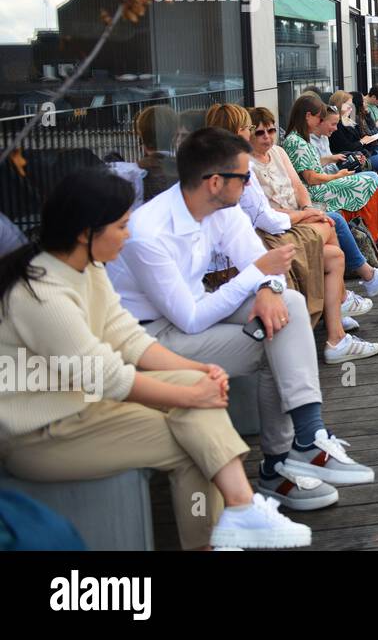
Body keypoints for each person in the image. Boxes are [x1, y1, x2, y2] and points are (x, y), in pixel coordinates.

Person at [0, 167, 313, 549]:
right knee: (194, 444)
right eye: (120, 226)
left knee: (197, 399)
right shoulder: (41, 294)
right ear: (86, 233)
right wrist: (191, 395)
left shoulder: (85, 266)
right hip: (41, 435)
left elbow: (127, 337)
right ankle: (218, 533)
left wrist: (199, 372)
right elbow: (106, 375)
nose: (128, 235)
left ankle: (239, 511)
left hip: (87, 408)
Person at [107, 126, 376, 506]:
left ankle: (307, 435)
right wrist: (258, 277)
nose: (251, 184)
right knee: (276, 341)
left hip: (195, 308)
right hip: (149, 338)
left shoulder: (222, 208)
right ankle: (280, 464)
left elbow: (267, 270)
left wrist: (268, 288)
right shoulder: (148, 233)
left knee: (290, 308)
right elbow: (191, 319)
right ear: (215, 182)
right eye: (244, 177)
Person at [206, 104, 378, 364]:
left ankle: (338, 331)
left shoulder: (217, 162)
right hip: (250, 250)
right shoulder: (238, 166)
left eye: (269, 130)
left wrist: (305, 210)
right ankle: (342, 312)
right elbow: (264, 218)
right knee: (328, 225)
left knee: (332, 253)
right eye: (252, 130)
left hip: (251, 243)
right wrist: (304, 214)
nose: (261, 135)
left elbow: (292, 190)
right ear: (239, 132)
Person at [246, 106, 378, 295]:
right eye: (260, 133)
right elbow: (309, 179)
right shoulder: (250, 163)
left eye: (271, 130)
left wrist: (307, 207)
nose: (267, 136)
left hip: (301, 208)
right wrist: (334, 179)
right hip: (287, 216)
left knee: (367, 181)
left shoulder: (279, 151)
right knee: (356, 193)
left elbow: (298, 186)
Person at [281, 94, 378, 249]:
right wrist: (337, 176)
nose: (320, 122)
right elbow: (310, 178)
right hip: (315, 192)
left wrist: (331, 159)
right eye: (319, 118)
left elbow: (309, 166)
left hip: (318, 187)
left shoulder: (299, 138)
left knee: (369, 179)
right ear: (308, 116)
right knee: (369, 180)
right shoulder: (297, 142)